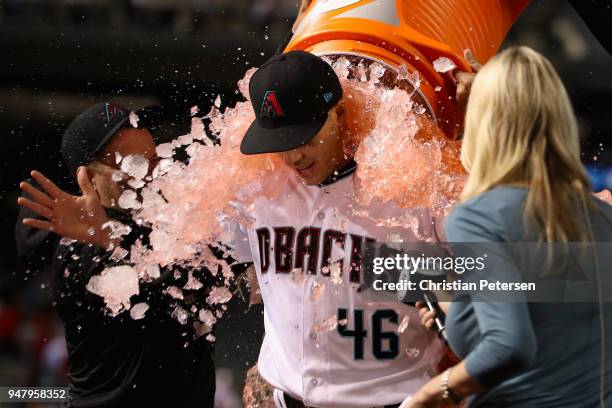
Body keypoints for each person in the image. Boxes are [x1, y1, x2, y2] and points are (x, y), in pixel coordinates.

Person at [410, 46, 612, 407]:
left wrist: (431, 393)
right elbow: (550, 323)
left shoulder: (479, 217)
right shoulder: (601, 217)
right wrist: (459, 310)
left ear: (485, 125)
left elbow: (509, 346)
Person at [16, 102, 225, 407]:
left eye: (155, 159)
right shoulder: (77, 246)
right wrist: (107, 237)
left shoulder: (163, 227)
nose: (153, 173)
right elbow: (170, 292)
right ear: (88, 178)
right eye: (135, 165)